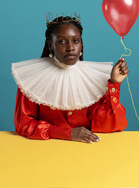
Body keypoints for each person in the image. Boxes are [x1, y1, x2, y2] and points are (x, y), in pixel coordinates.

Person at [12, 13, 129, 143]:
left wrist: (114, 84)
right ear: (51, 45)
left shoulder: (93, 79)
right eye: (62, 41)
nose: (71, 48)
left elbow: (111, 125)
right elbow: (24, 125)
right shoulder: (32, 80)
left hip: (88, 151)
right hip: (47, 152)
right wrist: (65, 133)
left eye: (75, 40)